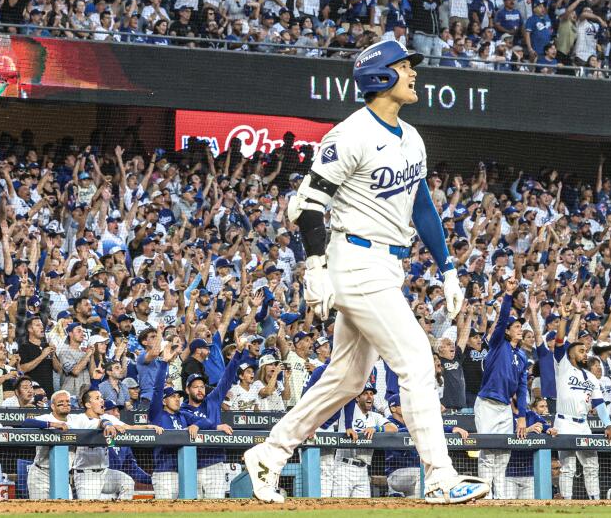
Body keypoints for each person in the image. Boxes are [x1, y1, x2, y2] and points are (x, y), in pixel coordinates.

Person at [242, 39, 488, 505]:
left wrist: (449, 267)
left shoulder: (410, 136)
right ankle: (439, 475)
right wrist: (315, 267)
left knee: (348, 379)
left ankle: (269, 454)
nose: (413, 72)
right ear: (379, 77)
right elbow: (308, 204)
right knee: (416, 358)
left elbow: (422, 206)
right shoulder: (349, 133)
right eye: (403, 66)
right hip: (354, 261)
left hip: (386, 264)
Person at [553, 316, 611, 500]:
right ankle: (566, 502)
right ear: (571, 354)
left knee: (591, 464)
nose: (585, 354)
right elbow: (559, 343)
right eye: (581, 351)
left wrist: (608, 425)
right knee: (568, 467)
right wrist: (564, 318)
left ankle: (595, 501)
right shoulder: (563, 366)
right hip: (564, 422)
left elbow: (598, 403)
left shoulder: (591, 377)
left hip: (583, 423)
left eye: (586, 351)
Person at [473, 281, 526, 497]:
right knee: (487, 454)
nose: (520, 329)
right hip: (486, 404)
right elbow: (503, 318)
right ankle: (484, 497)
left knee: (504, 454)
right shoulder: (498, 344)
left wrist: (521, 416)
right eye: (516, 327)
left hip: (505, 407)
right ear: (506, 331)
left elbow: (522, 389)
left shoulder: (522, 356)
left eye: (521, 326)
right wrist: (508, 294)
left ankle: (501, 498)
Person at [148, 344, 220, 498]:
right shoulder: (157, 414)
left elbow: (207, 422)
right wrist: (163, 364)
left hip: (184, 472)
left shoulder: (183, 415)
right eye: (172, 397)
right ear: (163, 401)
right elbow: (156, 391)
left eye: (178, 396)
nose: (177, 399)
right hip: (164, 473)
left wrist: (195, 424)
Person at [182, 340, 248, 498]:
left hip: (215, 463)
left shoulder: (212, 400)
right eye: (196, 386)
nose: (200, 389)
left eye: (202, 386)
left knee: (216, 506)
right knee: (192, 508)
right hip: (192, 464)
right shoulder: (182, 410)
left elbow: (226, 378)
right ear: (187, 389)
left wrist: (238, 354)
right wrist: (216, 427)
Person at [20, 389, 73, 499]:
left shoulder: (76, 420)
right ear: (53, 406)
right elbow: (26, 423)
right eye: (61, 402)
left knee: (66, 511)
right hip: (41, 474)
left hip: (62, 475)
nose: (65, 404)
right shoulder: (46, 418)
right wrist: (52, 424)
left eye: (67, 401)